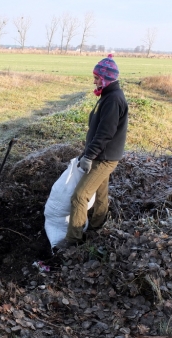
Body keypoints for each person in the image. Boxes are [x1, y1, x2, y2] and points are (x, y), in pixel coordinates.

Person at [55, 54, 129, 249]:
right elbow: (98, 130)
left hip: (104, 158)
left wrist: (89, 156)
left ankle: (74, 241)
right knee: (101, 193)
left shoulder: (113, 99)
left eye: (97, 77)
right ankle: (97, 228)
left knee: (80, 196)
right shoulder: (108, 96)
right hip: (101, 154)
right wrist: (87, 153)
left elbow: (105, 133)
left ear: (106, 78)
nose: (94, 81)